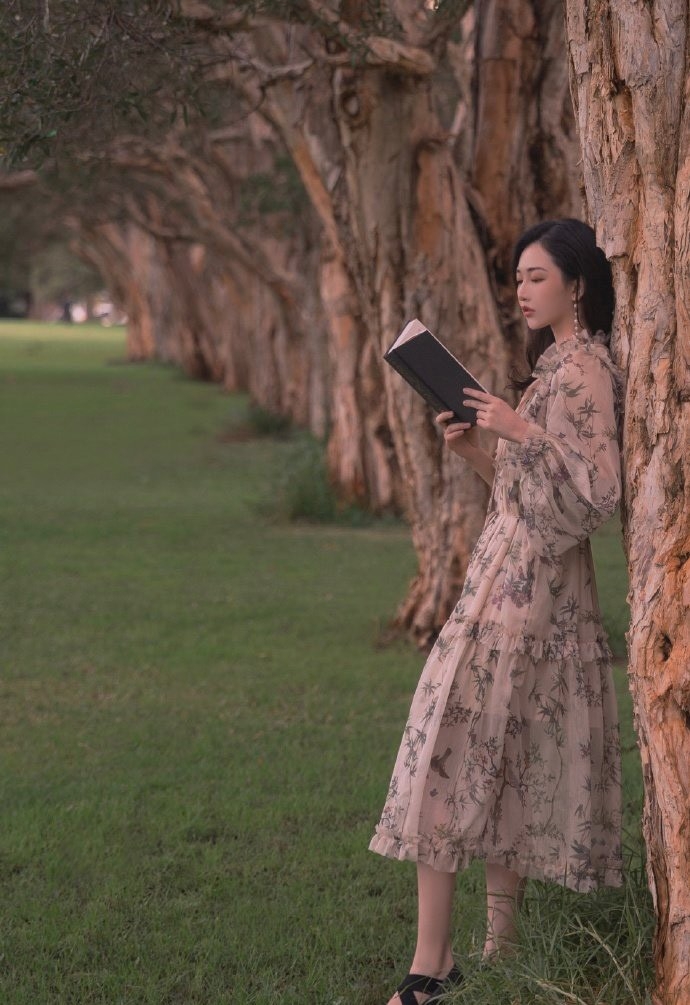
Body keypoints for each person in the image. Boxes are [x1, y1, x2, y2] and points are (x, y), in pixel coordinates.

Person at [370, 218, 626, 1005]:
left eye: (537, 276)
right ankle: (496, 949)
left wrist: (521, 431)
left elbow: (596, 499)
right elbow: (525, 498)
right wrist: (479, 451)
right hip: (507, 582)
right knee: (497, 753)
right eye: (517, 277)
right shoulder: (553, 368)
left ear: (577, 284)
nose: (522, 290)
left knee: (450, 748)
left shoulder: (586, 371)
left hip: (532, 598)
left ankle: (431, 964)